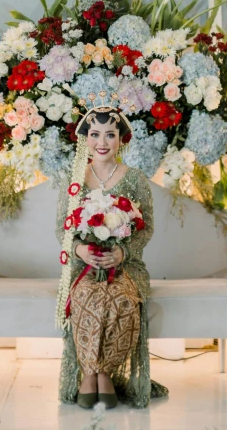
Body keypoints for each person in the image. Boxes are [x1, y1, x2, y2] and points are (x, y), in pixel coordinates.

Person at [55, 98, 168, 409]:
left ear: (121, 139)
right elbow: (61, 229)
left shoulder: (134, 179)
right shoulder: (75, 180)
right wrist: (80, 249)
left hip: (126, 267)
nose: (101, 142)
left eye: (109, 135)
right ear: (85, 139)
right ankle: (90, 374)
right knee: (87, 297)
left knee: (118, 298)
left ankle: (103, 374)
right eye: (94, 134)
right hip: (84, 267)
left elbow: (146, 229)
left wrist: (121, 253)